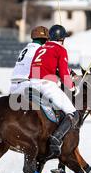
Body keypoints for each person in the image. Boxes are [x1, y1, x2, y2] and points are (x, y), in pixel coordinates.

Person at [27, 24, 79, 159]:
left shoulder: (41, 48)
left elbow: (36, 67)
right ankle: (56, 139)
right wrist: (73, 87)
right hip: (46, 85)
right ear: (61, 39)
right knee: (73, 113)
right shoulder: (60, 49)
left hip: (31, 83)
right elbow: (64, 74)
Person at [10, 26, 49, 94]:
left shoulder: (25, 49)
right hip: (26, 85)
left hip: (13, 86)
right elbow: (36, 70)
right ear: (45, 39)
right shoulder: (40, 50)